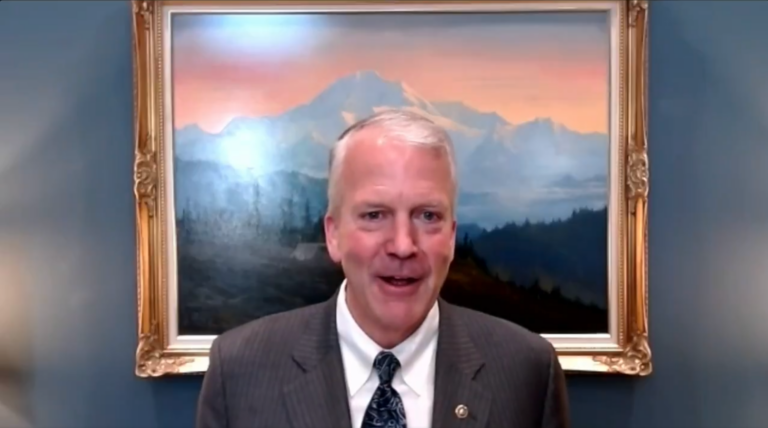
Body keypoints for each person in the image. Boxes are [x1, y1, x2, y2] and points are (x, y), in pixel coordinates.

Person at [195, 109, 571, 428]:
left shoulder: (527, 371)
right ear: (333, 234)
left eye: (428, 216)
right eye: (375, 215)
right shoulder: (240, 371)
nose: (403, 245)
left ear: (453, 236)